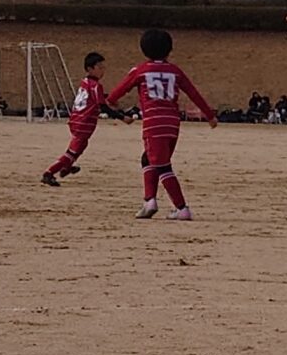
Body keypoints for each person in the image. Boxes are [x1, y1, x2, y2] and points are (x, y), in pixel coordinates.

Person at [105, 27, 218, 221]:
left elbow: (115, 94)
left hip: (153, 122)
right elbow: (193, 93)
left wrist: (113, 104)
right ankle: (149, 200)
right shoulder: (175, 71)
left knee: (162, 165)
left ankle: (181, 208)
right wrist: (209, 115)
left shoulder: (140, 70)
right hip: (172, 123)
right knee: (148, 159)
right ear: (169, 49)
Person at [43, 52, 113, 187]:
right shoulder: (96, 86)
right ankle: (49, 173)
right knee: (73, 151)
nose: (102, 70)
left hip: (76, 119)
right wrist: (122, 116)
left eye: (103, 67)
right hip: (84, 123)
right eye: (99, 67)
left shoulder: (85, 82)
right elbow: (103, 107)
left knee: (81, 146)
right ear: (89, 69)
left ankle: (66, 167)